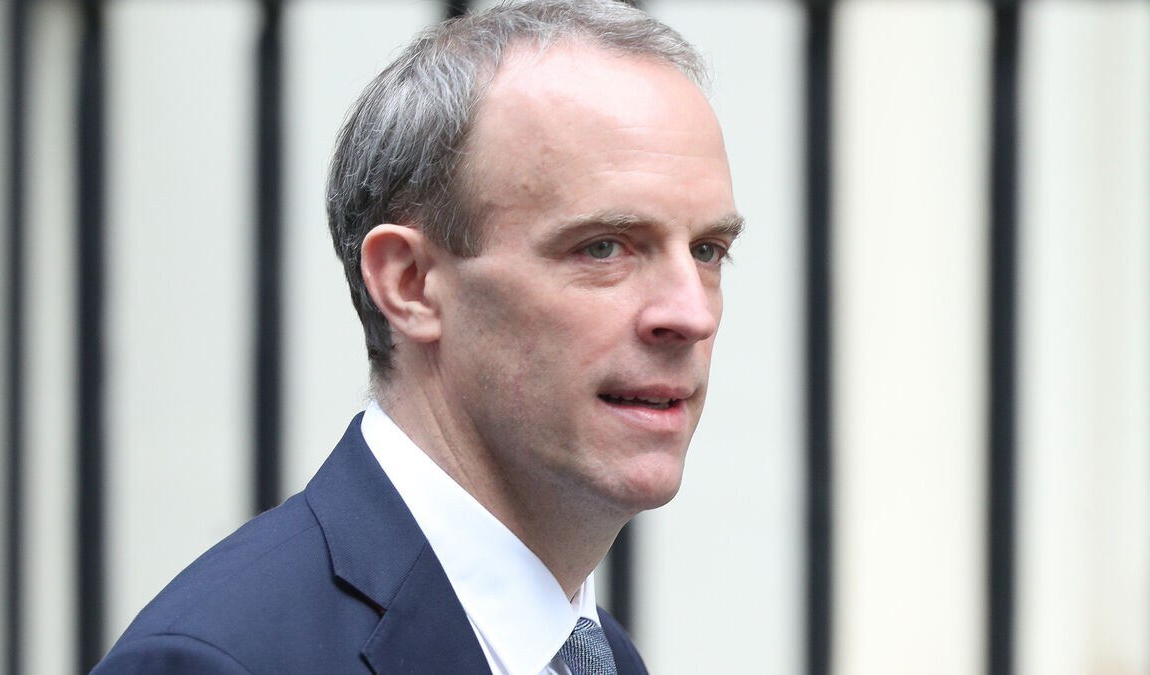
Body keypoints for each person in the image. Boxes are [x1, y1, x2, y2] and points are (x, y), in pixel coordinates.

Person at [93, 0, 740, 672]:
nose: (691, 313)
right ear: (409, 284)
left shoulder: (595, 654)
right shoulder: (220, 660)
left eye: (708, 250)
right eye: (603, 247)